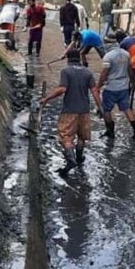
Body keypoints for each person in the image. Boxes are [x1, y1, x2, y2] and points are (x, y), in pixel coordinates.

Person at [40, 49, 102, 177]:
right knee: (81, 136)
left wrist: (46, 98)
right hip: (84, 110)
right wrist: (100, 106)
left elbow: (62, 89)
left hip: (70, 110)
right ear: (79, 58)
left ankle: (71, 160)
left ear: (68, 59)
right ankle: (79, 158)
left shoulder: (66, 71)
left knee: (66, 136)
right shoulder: (87, 71)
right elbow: (95, 90)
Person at [98, 44, 135, 141]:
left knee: (106, 110)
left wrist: (98, 86)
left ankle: (110, 131)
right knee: (127, 109)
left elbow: (104, 73)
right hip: (124, 87)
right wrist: (133, 83)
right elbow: (130, 70)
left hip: (111, 87)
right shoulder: (126, 54)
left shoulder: (108, 56)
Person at [115, 30, 135, 101]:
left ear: (119, 39)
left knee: (131, 80)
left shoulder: (122, 43)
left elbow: (122, 58)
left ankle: (127, 97)